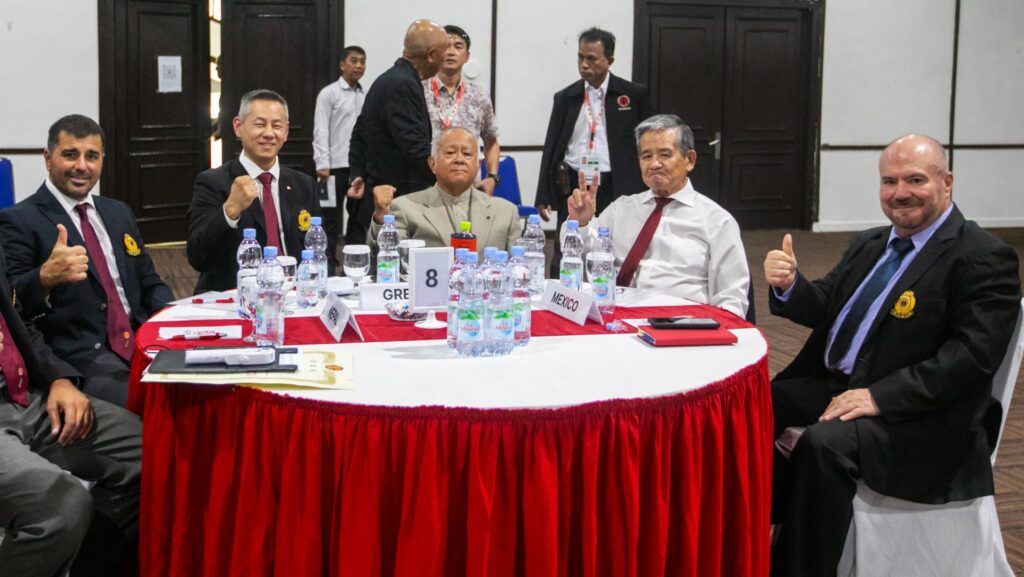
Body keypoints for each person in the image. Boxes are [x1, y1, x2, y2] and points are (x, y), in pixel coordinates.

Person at [764, 134, 1021, 577]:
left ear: (947, 182)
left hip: (922, 414)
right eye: (889, 181)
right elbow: (825, 304)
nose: (900, 193)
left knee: (824, 445)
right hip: (842, 385)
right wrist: (789, 285)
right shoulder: (872, 243)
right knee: (752, 406)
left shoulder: (982, 256)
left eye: (915, 180)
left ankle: (800, 567)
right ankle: (748, 541)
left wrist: (879, 396)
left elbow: (971, 358)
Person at [0, 114, 172, 407]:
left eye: (91, 156)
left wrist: (177, 318)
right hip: (84, 355)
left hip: (144, 339)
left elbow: (147, 281)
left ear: (102, 160)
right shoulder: (18, 220)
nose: (82, 165)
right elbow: (11, 310)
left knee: (202, 391)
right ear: (48, 158)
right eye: (70, 155)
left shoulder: (119, 213)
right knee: (154, 405)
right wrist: (44, 278)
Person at [0, 239, 142, 576]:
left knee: (150, 453)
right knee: (61, 507)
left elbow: (17, 321)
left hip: (22, 393)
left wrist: (58, 379)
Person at [565, 114, 748, 318]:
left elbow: (731, 299)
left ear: (689, 160)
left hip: (680, 322)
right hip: (615, 315)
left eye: (664, 154)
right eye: (646, 156)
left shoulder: (717, 221)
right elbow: (578, 253)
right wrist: (580, 221)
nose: (654, 164)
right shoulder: (622, 208)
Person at [537, 27, 653, 277]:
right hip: (574, 181)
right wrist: (542, 195)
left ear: (609, 60)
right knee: (568, 243)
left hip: (615, 183)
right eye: (580, 57)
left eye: (592, 58)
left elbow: (648, 143)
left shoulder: (632, 95)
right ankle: (560, 288)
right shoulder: (566, 97)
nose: (584, 64)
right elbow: (552, 146)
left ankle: (609, 287)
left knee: (612, 241)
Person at [188, 89, 322, 294]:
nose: (268, 133)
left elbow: (319, 251)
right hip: (235, 298)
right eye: (259, 124)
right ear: (238, 127)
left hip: (296, 297)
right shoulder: (213, 182)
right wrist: (230, 210)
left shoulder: (304, 184)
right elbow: (198, 257)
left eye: (276, 126)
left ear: (286, 132)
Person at [346, 19, 449, 238]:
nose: (446, 58)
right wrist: (447, 180)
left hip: (380, 193)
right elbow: (414, 148)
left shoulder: (389, 79)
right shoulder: (402, 83)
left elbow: (358, 133)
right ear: (432, 55)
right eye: (445, 51)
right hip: (396, 201)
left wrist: (357, 173)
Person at [368, 127, 520, 257]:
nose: (459, 159)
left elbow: (520, 268)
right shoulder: (404, 208)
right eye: (450, 153)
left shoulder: (506, 212)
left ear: (478, 165)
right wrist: (381, 218)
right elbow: (384, 264)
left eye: (467, 154)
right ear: (432, 164)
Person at [422, 25, 501, 195]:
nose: (451, 52)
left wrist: (492, 177)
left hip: (469, 188)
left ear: (467, 56)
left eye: (458, 46)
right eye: (445, 46)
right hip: (426, 187)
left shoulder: (479, 95)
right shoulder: (419, 91)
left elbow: (491, 140)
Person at [313, 45, 367, 252]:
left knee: (358, 218)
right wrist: (322, 163)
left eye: (362, 61)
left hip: (357, 168)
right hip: (333, 167)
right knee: (329, 219)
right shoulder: (329, 94)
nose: (359, 66)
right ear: (342, 65)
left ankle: (354, 258)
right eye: (354, 61)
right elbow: (321, 129)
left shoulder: (365, 95)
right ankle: (327, 262)